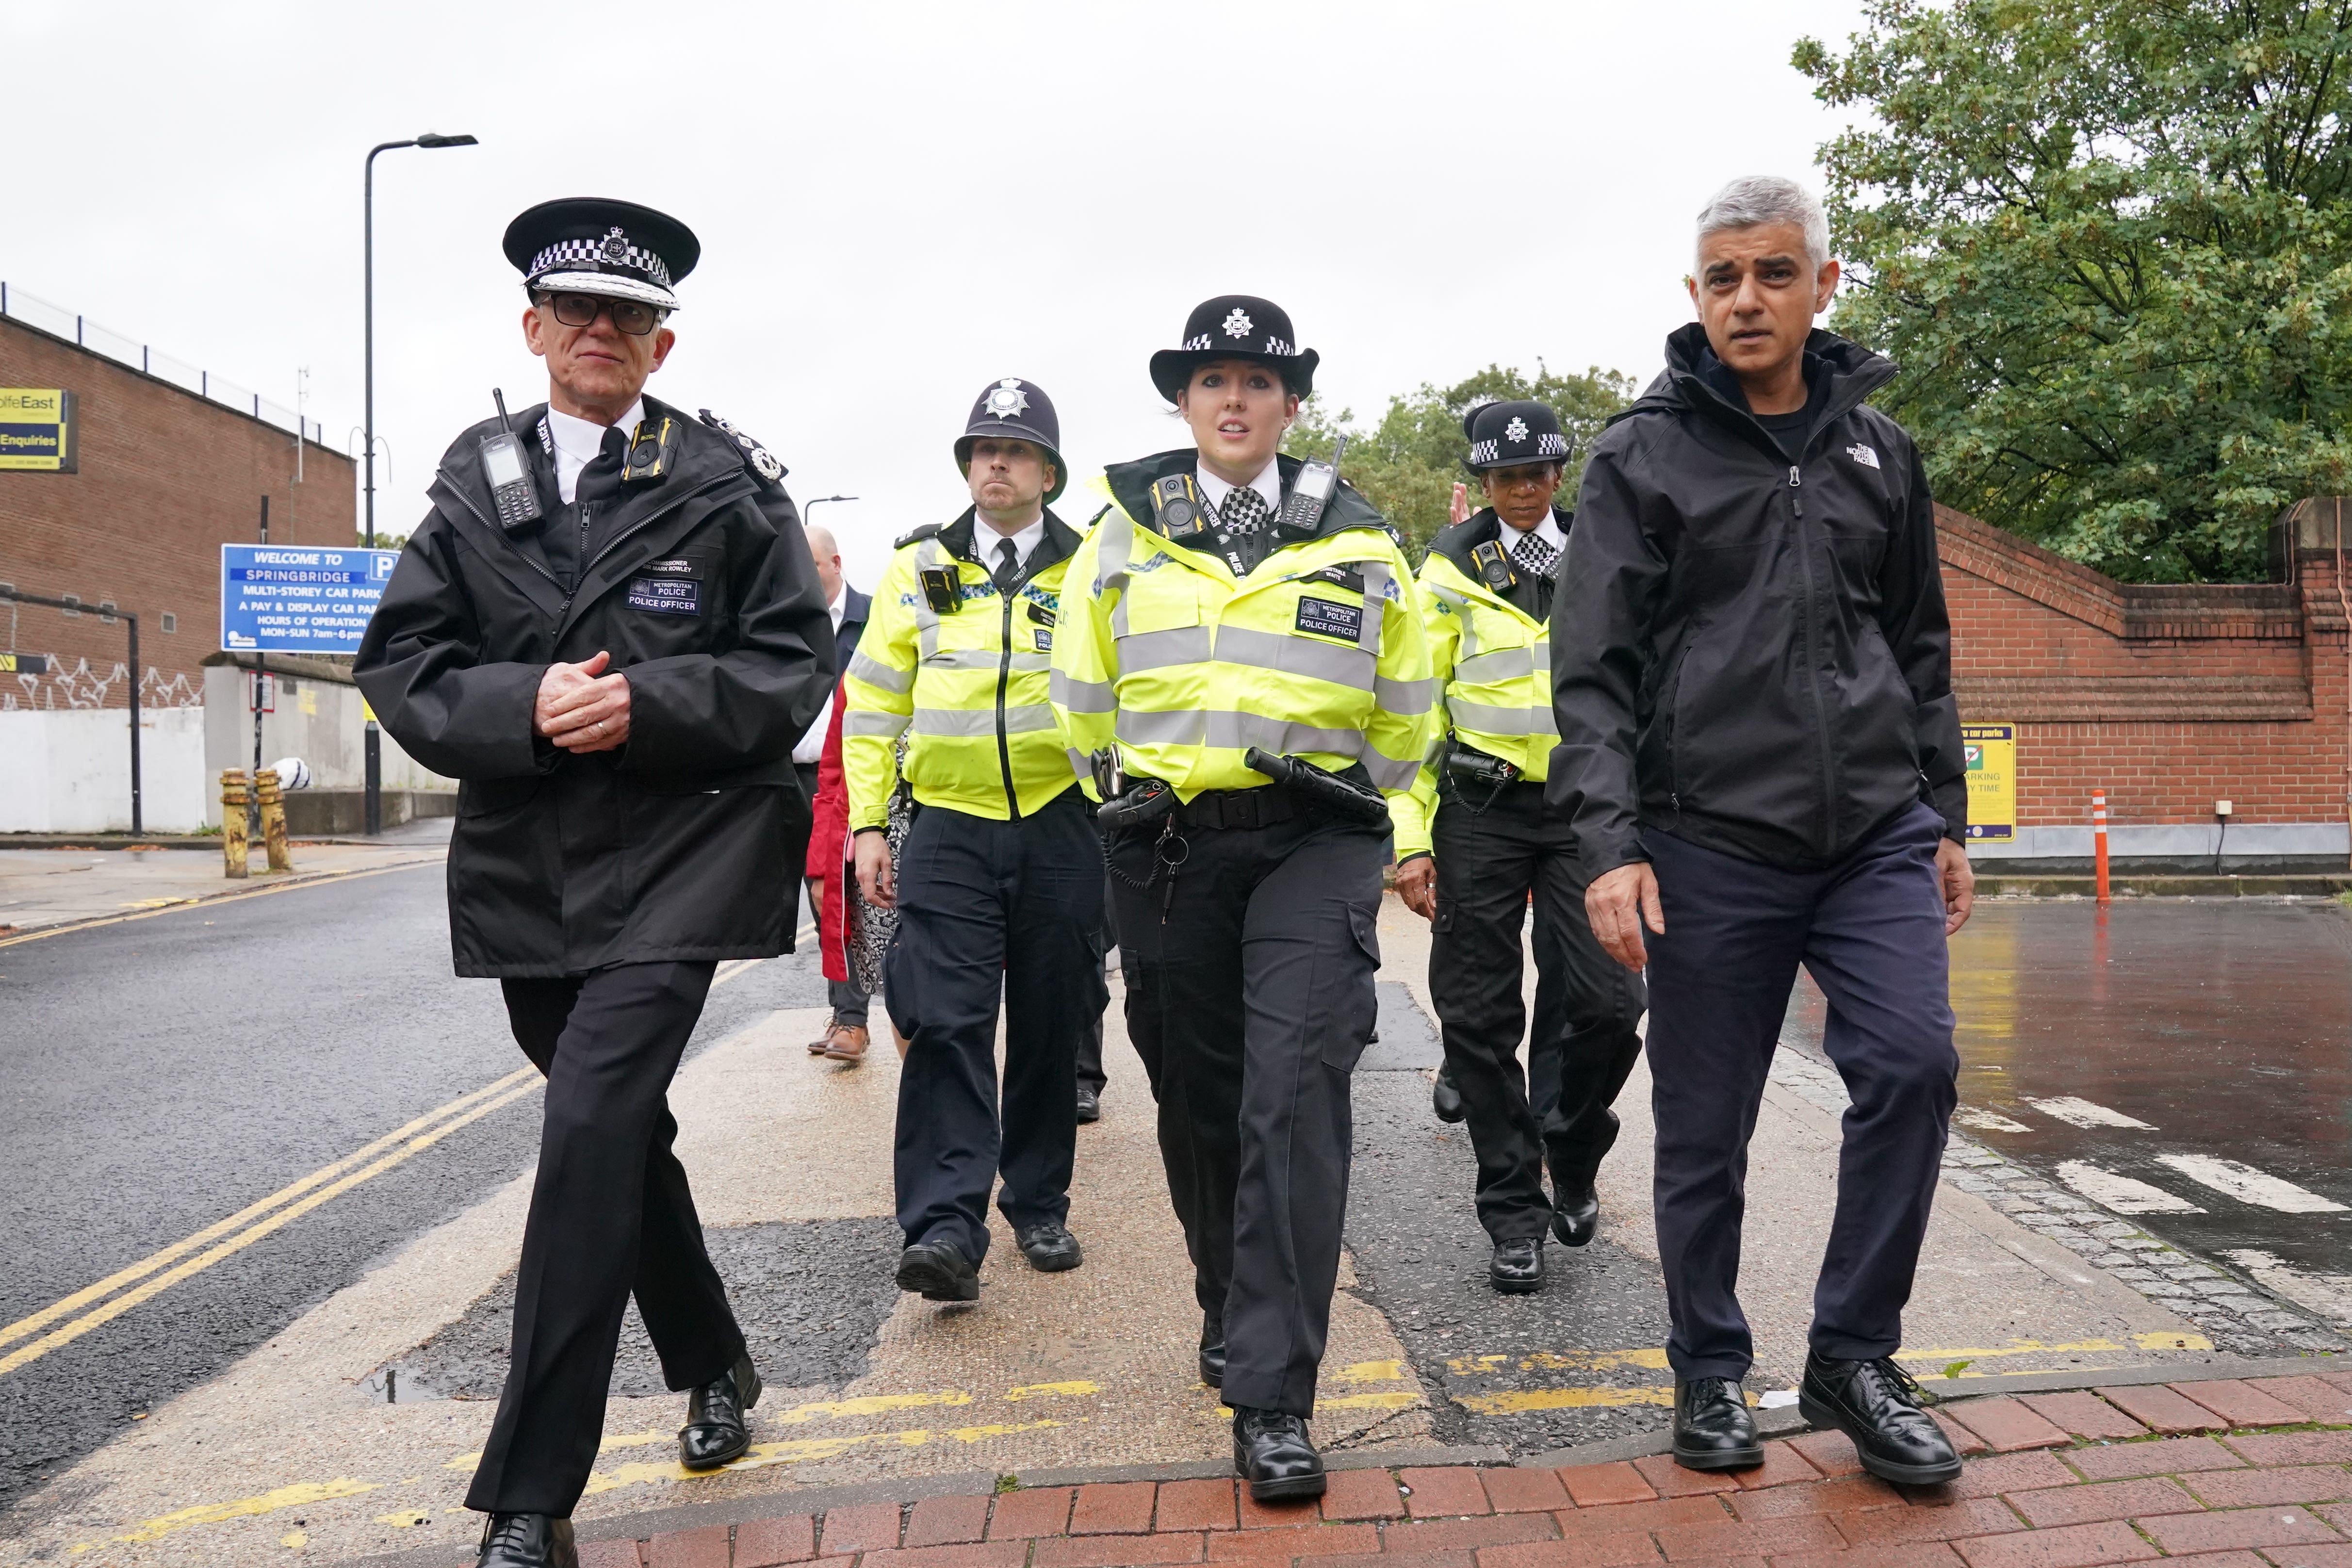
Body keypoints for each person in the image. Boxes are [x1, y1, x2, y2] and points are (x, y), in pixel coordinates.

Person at [354, 197, 834, 1568]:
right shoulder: (474, 482)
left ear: (660, 344)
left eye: (628, 318)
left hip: (683, 857)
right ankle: (717, 1361)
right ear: (535, 330)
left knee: (587, 1130)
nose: (601, 334)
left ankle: (532, 1493)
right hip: (532, 871)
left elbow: (791, 666)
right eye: (577, 313)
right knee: (618, 1135)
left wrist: (649, 705)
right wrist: (525, 701)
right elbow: (406, 665)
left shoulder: (728, 484)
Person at [1550, 176, 1972, 1486]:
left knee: (1912, 1066)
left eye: (1774, 274)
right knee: (1706, 1126)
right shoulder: (1641, 455)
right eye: (1724, 277)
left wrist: (1943, 810)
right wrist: (1612, 844)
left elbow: (1919, 642)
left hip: (1874, 836)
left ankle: (1853, 1355)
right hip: (1707, 841)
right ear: (1696, 296)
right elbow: (1592, 671)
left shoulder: (1877, 452)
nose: (1748, 297)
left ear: (1822, 287)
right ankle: (1712, 1369)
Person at [1051, 296, 1435, 1501]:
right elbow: (1080, 694)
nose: (1233, 399)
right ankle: (1229, 1295)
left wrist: (1369, 818)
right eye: (1211, 379)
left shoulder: (1363, 547)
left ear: (1289, 405)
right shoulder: (1114, 538)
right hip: (1164, 849)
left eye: (1258, 382)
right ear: (1183, 400)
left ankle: (1272, 1393)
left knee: (1296, 1087)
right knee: (1200, 1102)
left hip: (1312, 843)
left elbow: (1407, 712)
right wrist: (1122, 791)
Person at [841, 377, 1103, 1301]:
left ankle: (1036, 1200)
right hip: (948, 827)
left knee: (1047, 1020)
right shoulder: (919, 567)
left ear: (1048, 472)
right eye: (981, 449)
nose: (994, 462)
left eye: (1015, 449)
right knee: (943, 1020)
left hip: (1062, 824)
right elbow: (871, 704)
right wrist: (870, 822)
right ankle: (946, 1225)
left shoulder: (1091, 566)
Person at [1392, 400, 1645, 1296]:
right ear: (1484, 481)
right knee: (1475, 1013)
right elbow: (1414, 710)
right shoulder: (1447, 570)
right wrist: (1410, 837)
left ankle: (1571, 1146)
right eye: (1505, 477)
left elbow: (1635, 684)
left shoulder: (1601, 550)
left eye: (1537, 473)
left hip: (1587, 811)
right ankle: (1511, 1207)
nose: (1524, 490)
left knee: (1611, 1002)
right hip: (1479, 805)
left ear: (1556, 474)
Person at [795, 523, 873, 1060]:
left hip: (856, 775)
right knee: (825, 896)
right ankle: (847, 1017)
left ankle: (857, 1020)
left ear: (836, 563)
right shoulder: (787, 623)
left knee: (855, 892)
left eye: (810, 565)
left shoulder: (873, 619)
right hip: (799, 779)